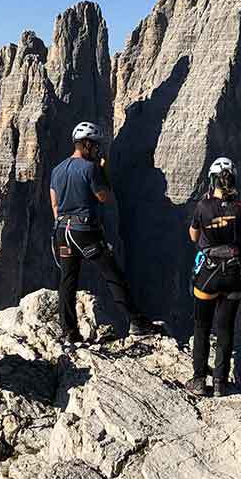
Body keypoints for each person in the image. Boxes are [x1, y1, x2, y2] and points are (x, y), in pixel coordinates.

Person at [49, 121, 151, 343]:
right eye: (95, 145)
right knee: (112, 274)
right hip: (85, 230)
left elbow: (55, 205)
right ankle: (136, 322)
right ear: (86, 144)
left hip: (62, 231)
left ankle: (69, 332)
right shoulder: (90, 168)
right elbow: (105, 197)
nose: (97, 149)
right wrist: (103, 171)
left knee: (68, 281)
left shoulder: (57, 170)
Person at [186, 156, 241, 397]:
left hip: (208, 274)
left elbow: (194, 237)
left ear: (211, 180)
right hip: (235, 273)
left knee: (202, 327)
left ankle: (197, 381)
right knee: (226, 329)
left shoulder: (202, 207)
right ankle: (220, 383)